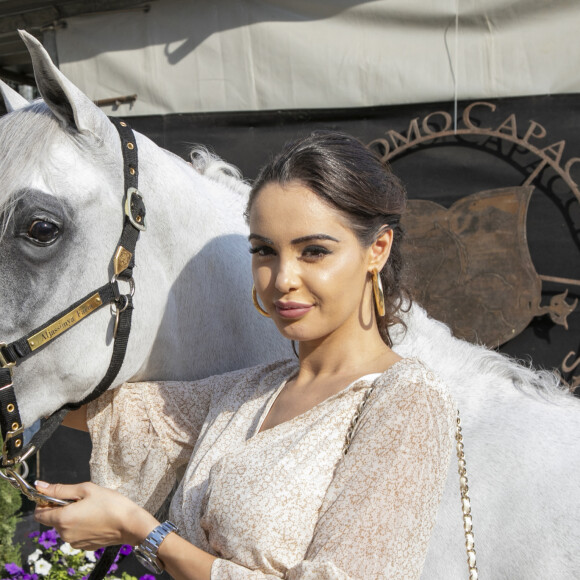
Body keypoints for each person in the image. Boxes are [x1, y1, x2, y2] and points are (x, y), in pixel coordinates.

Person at [34, 131, 457, 579]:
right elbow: (109, 413)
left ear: (378, 249)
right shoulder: (248, 391)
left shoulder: (406, 399)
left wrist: (142, 530)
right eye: (264, 251)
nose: (282, 278)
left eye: (314, 252)